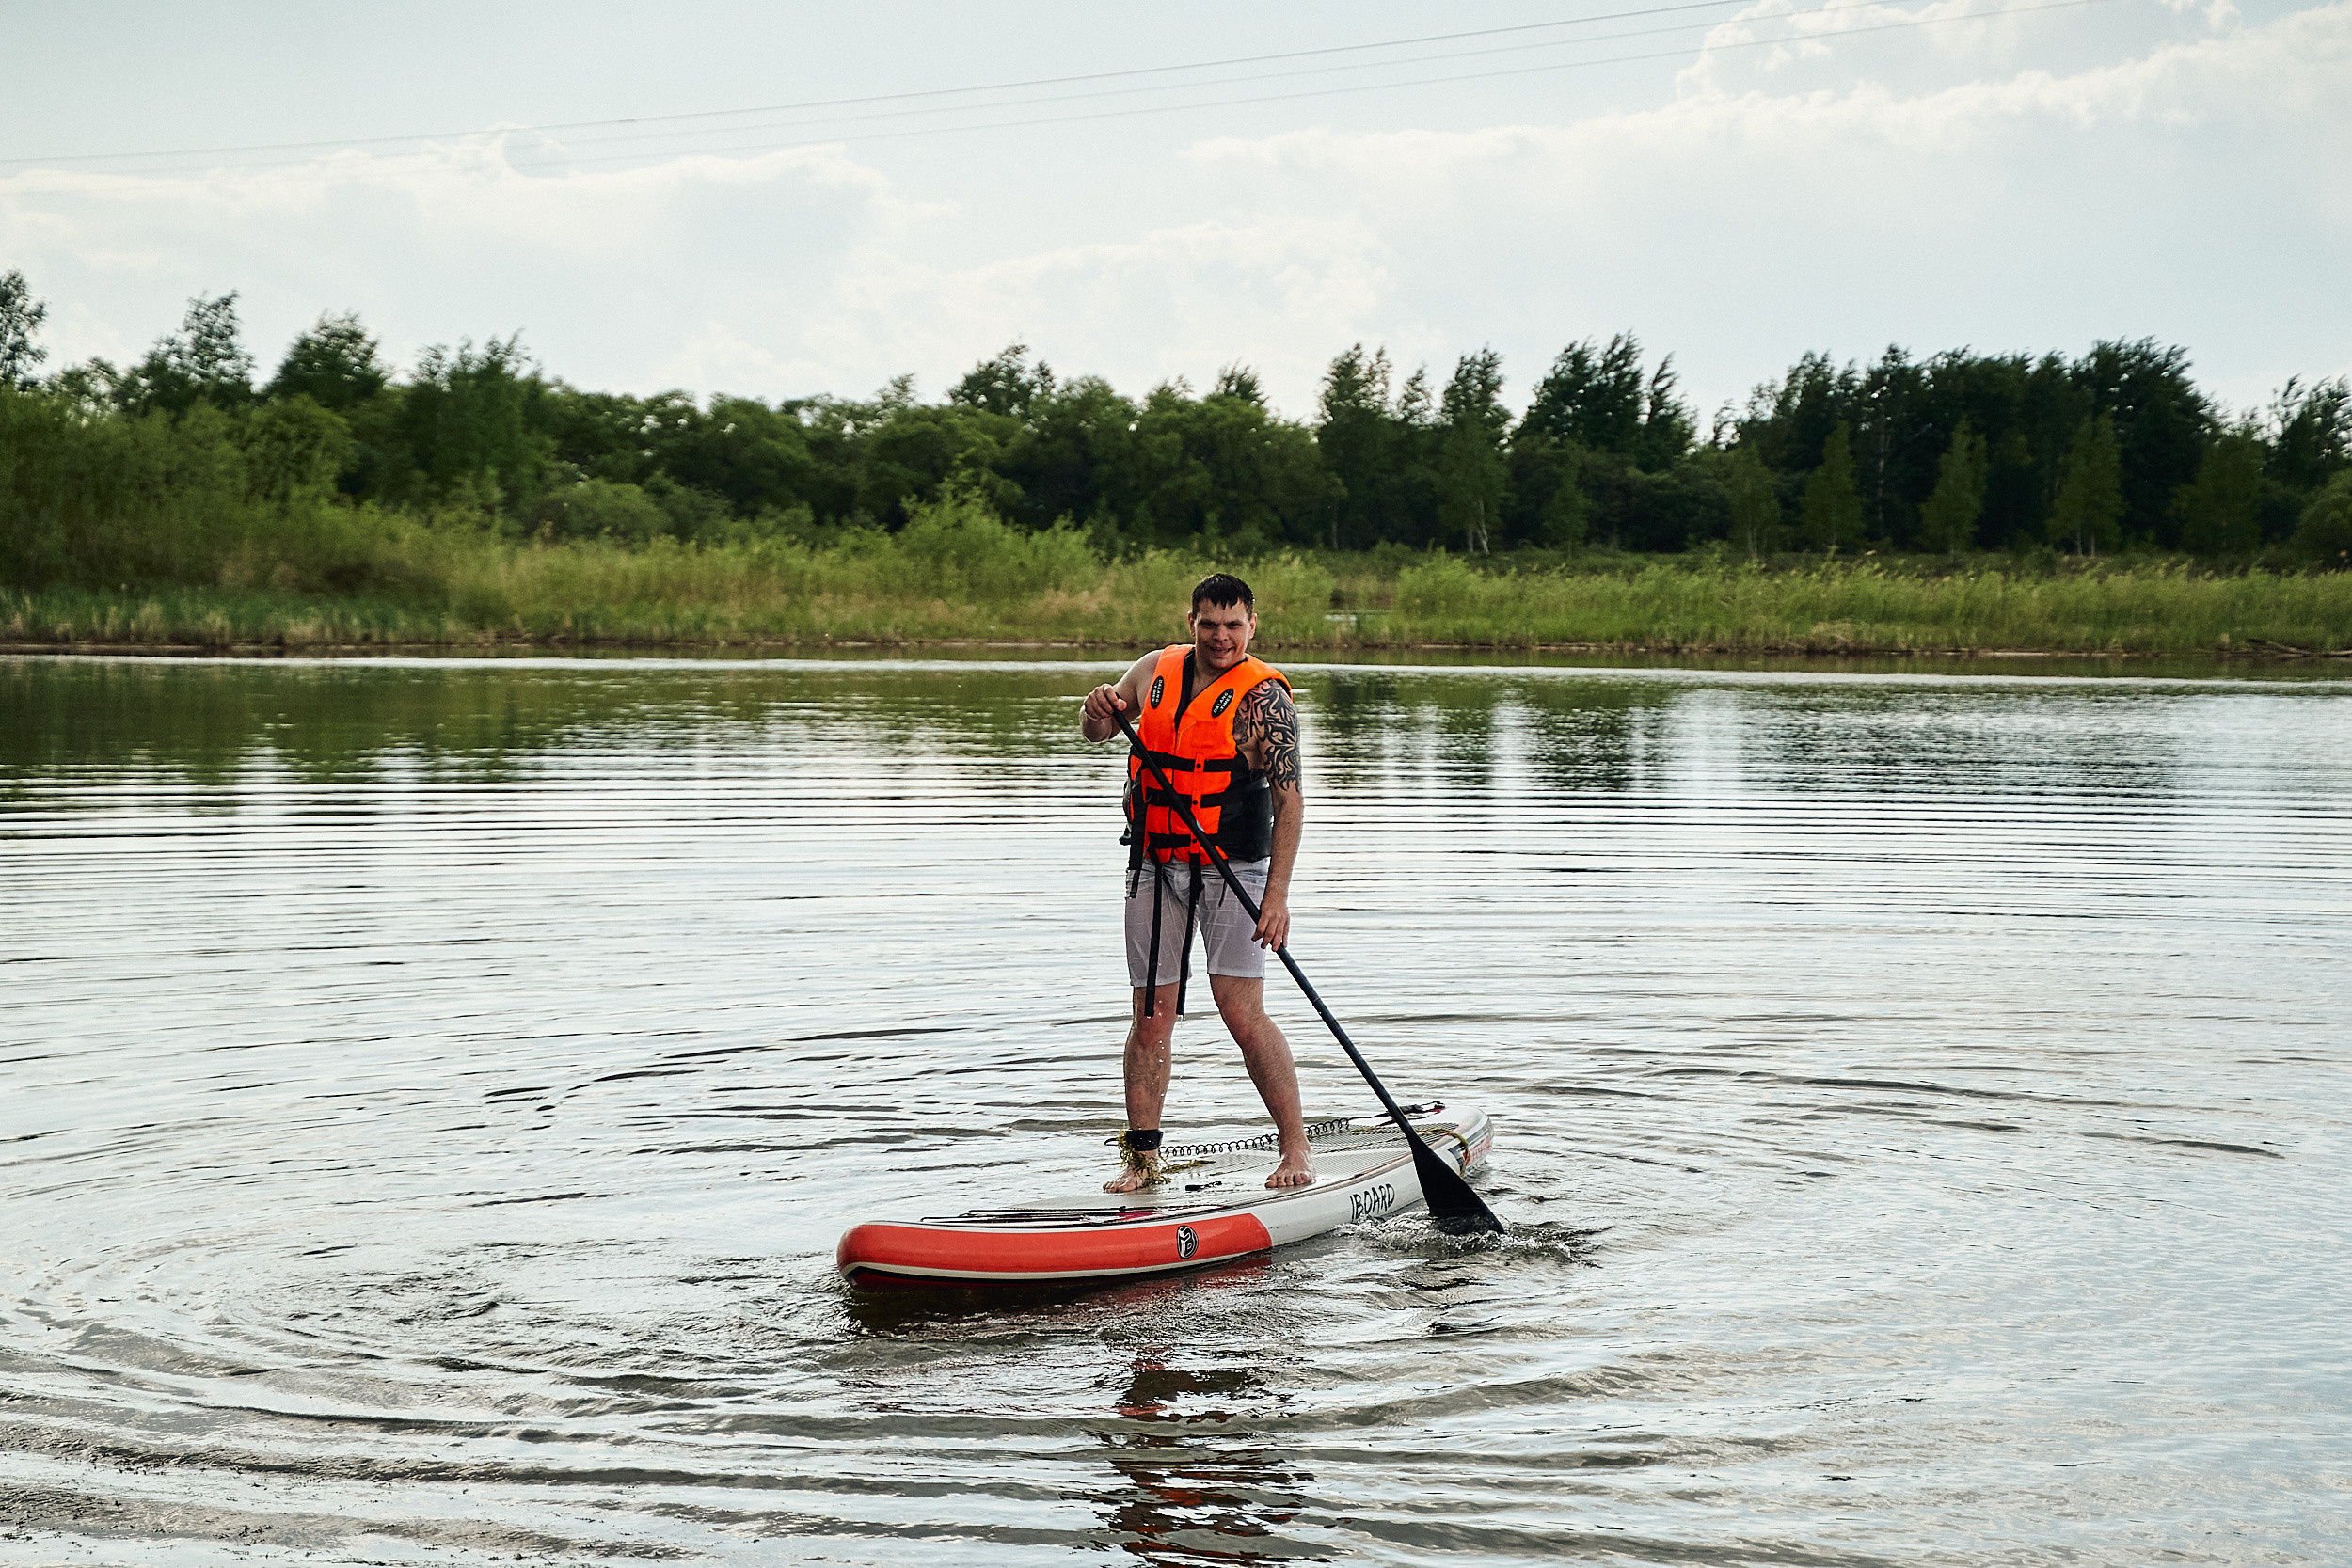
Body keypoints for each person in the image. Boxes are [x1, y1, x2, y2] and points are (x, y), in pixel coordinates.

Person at [1079, 573, 1312, 1192]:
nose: (1221, 636)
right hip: (1155, 864)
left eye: (1234, 625)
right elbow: (1098, 732)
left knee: (1241, 1012)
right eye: (1209, 623)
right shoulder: (1154, 669)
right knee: (1151, 1016)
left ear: (1251, 627)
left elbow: (1290, 803)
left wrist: (1278, 897)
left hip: (1234, 867)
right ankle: (1141, 1161)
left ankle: (1295, 1149)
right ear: (1192, 622)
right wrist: (1097, 708)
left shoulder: (1265, 700)